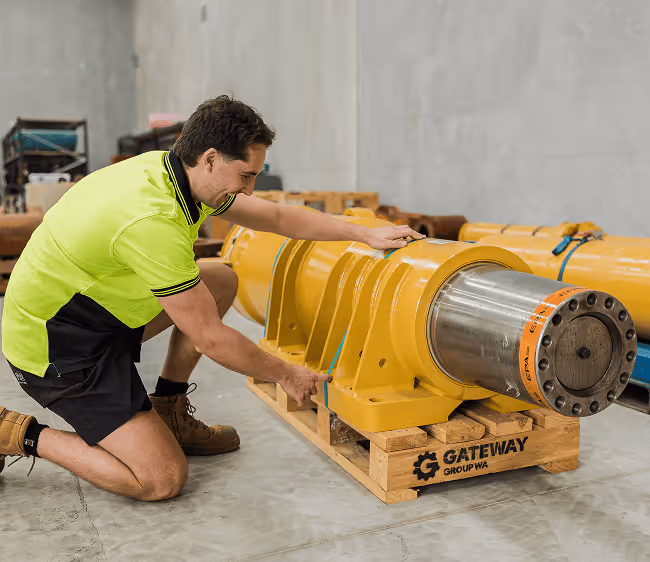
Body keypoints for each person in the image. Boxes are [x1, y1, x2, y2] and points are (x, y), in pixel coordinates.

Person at [0, 95, 423, 501]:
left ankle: (167, 406)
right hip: (57, 349)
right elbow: (211, 339)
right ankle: (19, 434)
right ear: (210, 158)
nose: (251, 191)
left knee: (219, 279)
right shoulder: (152, 217)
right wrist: (286, 374)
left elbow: (275, 216)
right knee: (160, 479)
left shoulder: (175, 174)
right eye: (246, 176)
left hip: (94, 314)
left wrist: (364, 233)